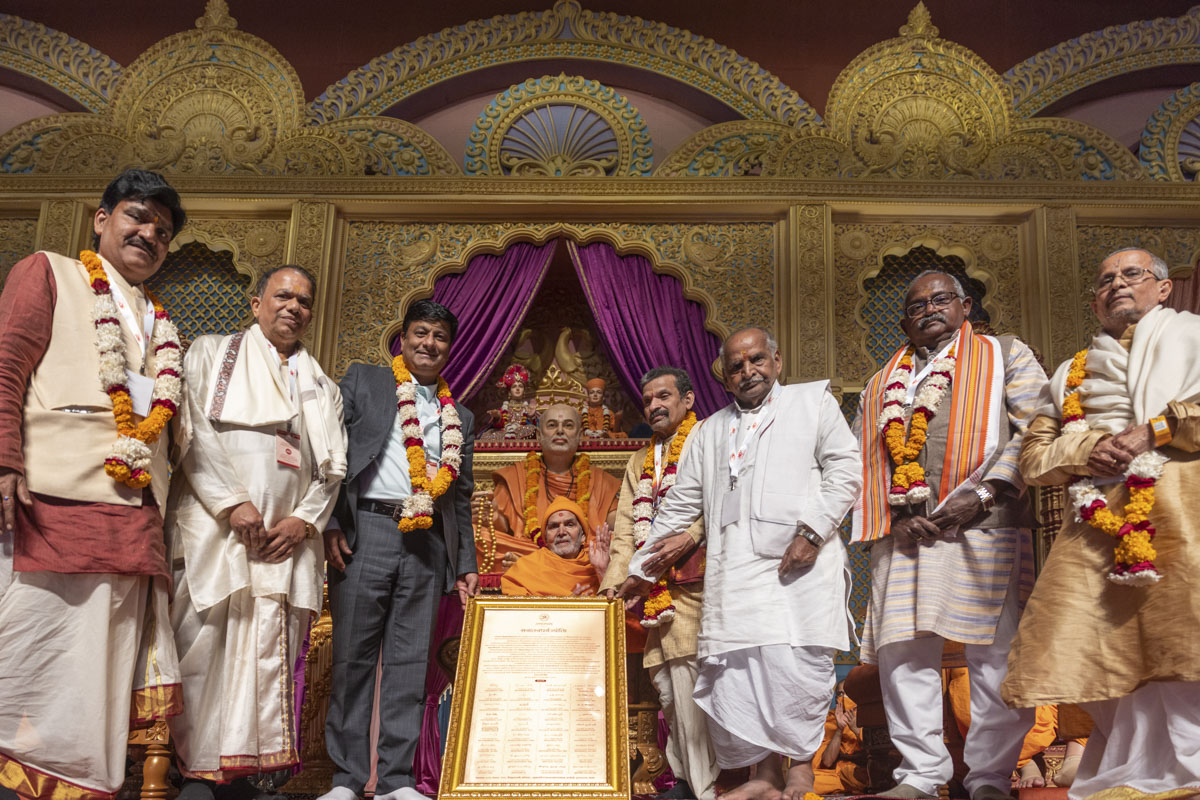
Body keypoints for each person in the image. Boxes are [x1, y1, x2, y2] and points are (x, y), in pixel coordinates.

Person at [0, 168, 187, 800]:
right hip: (48, 500)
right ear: (102, 219)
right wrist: (4, 460)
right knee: (26, 657)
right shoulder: (50, 271)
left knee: (96, 675)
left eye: (161, 231)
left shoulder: (160, 322)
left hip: (132, 514)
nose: (148, 234)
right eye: (136, 217)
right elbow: (6, 365)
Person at [618, 326, 862, 800]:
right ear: (724, 378)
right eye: (736, 366)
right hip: (734, 574)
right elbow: (678, 507)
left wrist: (812, 533)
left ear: (777, 361)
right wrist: (641, 569)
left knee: (796, 668)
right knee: (742, 671)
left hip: (799, 567)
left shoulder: (811, 405)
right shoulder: (710, 431)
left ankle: (801, 770)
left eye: (756, 360)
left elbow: (846, 470)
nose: (747, 371)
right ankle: (766, 775)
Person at [1002, 247, 1200, 797]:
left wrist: (1152, 431)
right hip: (1097, 523)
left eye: (1131, 274)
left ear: (1163, 289)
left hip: (1184, 508)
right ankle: (1137, 769)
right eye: (1105, 280)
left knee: (1181, 638)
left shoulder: (1194, 338)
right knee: (1091, 639)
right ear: (1094, 302)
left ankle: (1191, 765)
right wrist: (1087, 449)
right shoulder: (1070, 372)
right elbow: (1035, 456)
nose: (1116, 284)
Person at [851, 269, 1044, 800]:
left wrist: (982, 495)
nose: (929, 309)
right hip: (907, 532)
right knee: (904, 655)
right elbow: (862, 459)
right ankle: (920, 776)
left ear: (964, 306)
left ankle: (988, 778)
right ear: (904, 321)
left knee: (994, 656)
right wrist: (894, 517)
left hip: (986, 523)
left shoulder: (1005, 353)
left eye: (941, 299)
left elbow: (1039, 427)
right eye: (916, 305)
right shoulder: (881, 382)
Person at [166, 266, 347, 792]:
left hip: (285, 547)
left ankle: (248, 777)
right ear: (255, 302)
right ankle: (196, 776)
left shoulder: (321, 385)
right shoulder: (209, 353)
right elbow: (192, 432)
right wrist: (232, 504)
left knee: (270, 654)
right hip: (216, 534)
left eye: (304, 302)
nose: (293, 307)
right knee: (205, 651)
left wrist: (302, 520)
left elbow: (332, 469)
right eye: (283, 296)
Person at [321, 299, 479, 800]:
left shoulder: (462, 416)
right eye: (420, 333)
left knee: (411, 666)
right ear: (403, 338)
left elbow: (462, 495)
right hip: (367, 529)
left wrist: (466, 563)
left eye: (439, 337)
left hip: (428, 542)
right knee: (352, 659)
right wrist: (329, 523)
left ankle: (396, 781)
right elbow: (329, 447)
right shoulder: (366, 381)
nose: (428, 344)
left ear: (450, 349)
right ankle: (346, 778)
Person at [600, 366, 717, 800]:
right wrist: (615, 583)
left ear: (688, 400)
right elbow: (629, 526)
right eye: (648, 400)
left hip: (697, 586)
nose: (654, 406)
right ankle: (686, 779)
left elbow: (721, 502)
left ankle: (704, 788)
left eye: (663, 397)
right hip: (656, 594)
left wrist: (691, 536)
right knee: (669, 690)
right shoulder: (639, 459)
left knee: (691, 688)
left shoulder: (707, 438)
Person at [490, 402, 621, 556]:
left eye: (568, 425)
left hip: (583, 555)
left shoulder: (600, 480)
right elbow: (501, 527)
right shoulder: (515, 476)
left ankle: (533, 564)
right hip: (528, 550)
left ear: (579, 436)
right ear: (539, 436)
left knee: (618, 541)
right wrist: (491, 516)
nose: (560, 431)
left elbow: (618, 524)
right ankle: (534, 562)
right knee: (476, 534)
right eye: (552, 425)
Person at [500, 496, 609, 596]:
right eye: (554, 526)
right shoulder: (525, 568)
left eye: (569, 525)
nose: (561, 532)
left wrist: (602, 572)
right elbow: (514, 613)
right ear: (546, 538)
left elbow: (618, 610)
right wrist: (563, 609)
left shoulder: (597, 565)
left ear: (583, 536)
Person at [812, 686, 869, 795]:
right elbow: (827, 762)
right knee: (808, 781)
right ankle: (852, 788)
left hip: (862, 772)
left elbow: (880, 754)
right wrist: (839, 729)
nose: (842, 699)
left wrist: (857, 731)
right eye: (840, 694)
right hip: (838, 775)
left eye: (847, 694)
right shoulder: (830, 720)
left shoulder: (869, 715)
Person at [481, 363, 537, 440]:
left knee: (531, 429)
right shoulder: (505, 407)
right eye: (514, 386)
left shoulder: (527, 407)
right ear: (509, 392)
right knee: (488, 435)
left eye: (520, 386)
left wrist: (531, 416)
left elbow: (534, 424)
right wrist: (497, 417)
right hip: (506, 433)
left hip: (522, 432)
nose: (517, 389)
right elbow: (500, 424)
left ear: (524, 391)